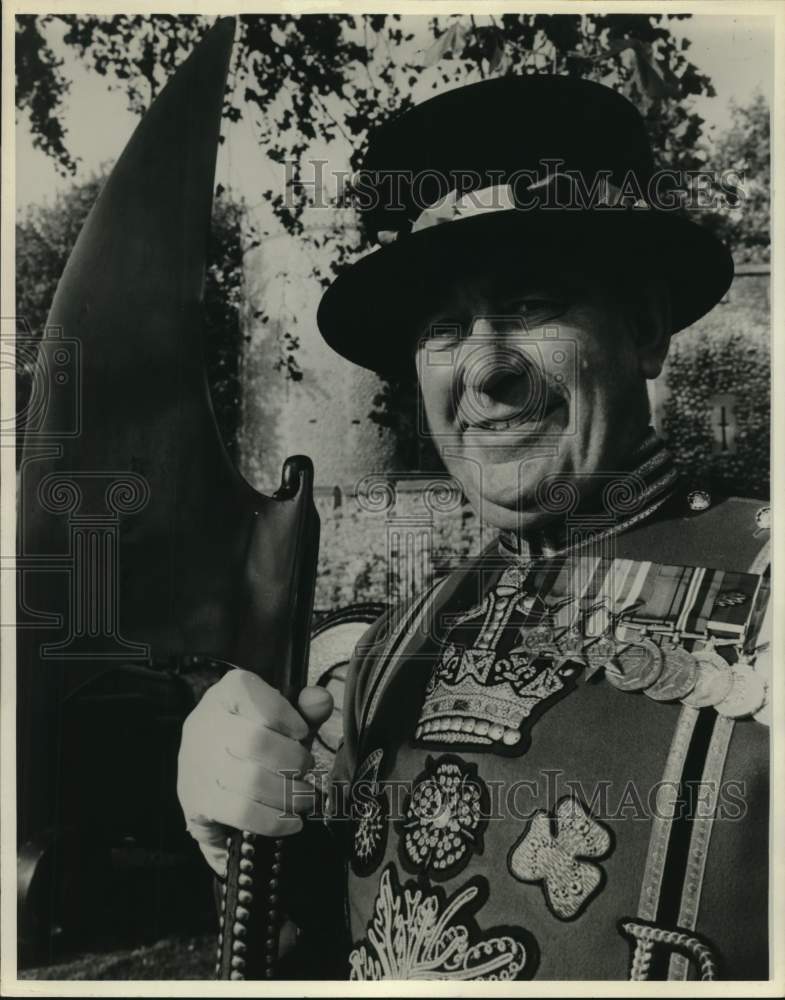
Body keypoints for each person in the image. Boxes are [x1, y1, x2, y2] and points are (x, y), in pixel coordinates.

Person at [177, 75, 770, 981]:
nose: (485, 369)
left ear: (644, 330)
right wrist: (241, 832)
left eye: (531, 306)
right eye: (445, 326)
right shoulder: (387, 653)